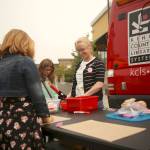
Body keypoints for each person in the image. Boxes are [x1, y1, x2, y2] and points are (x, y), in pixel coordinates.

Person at [0, 29, 52, 150]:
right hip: (23, 119)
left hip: (3, 118)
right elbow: (37, 94)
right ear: (24, 44)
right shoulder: (26, 62)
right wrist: (45, 116)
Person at [70, 37, 105, 109]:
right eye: (78, 50)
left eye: (82, 49)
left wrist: (84, 96)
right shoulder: (78, 65)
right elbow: (76, 85)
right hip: (78, 102)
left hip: (93, 103)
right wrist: (69, 96)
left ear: (90, 47)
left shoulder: (98, 63)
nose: (80, 53)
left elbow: (99, 84)